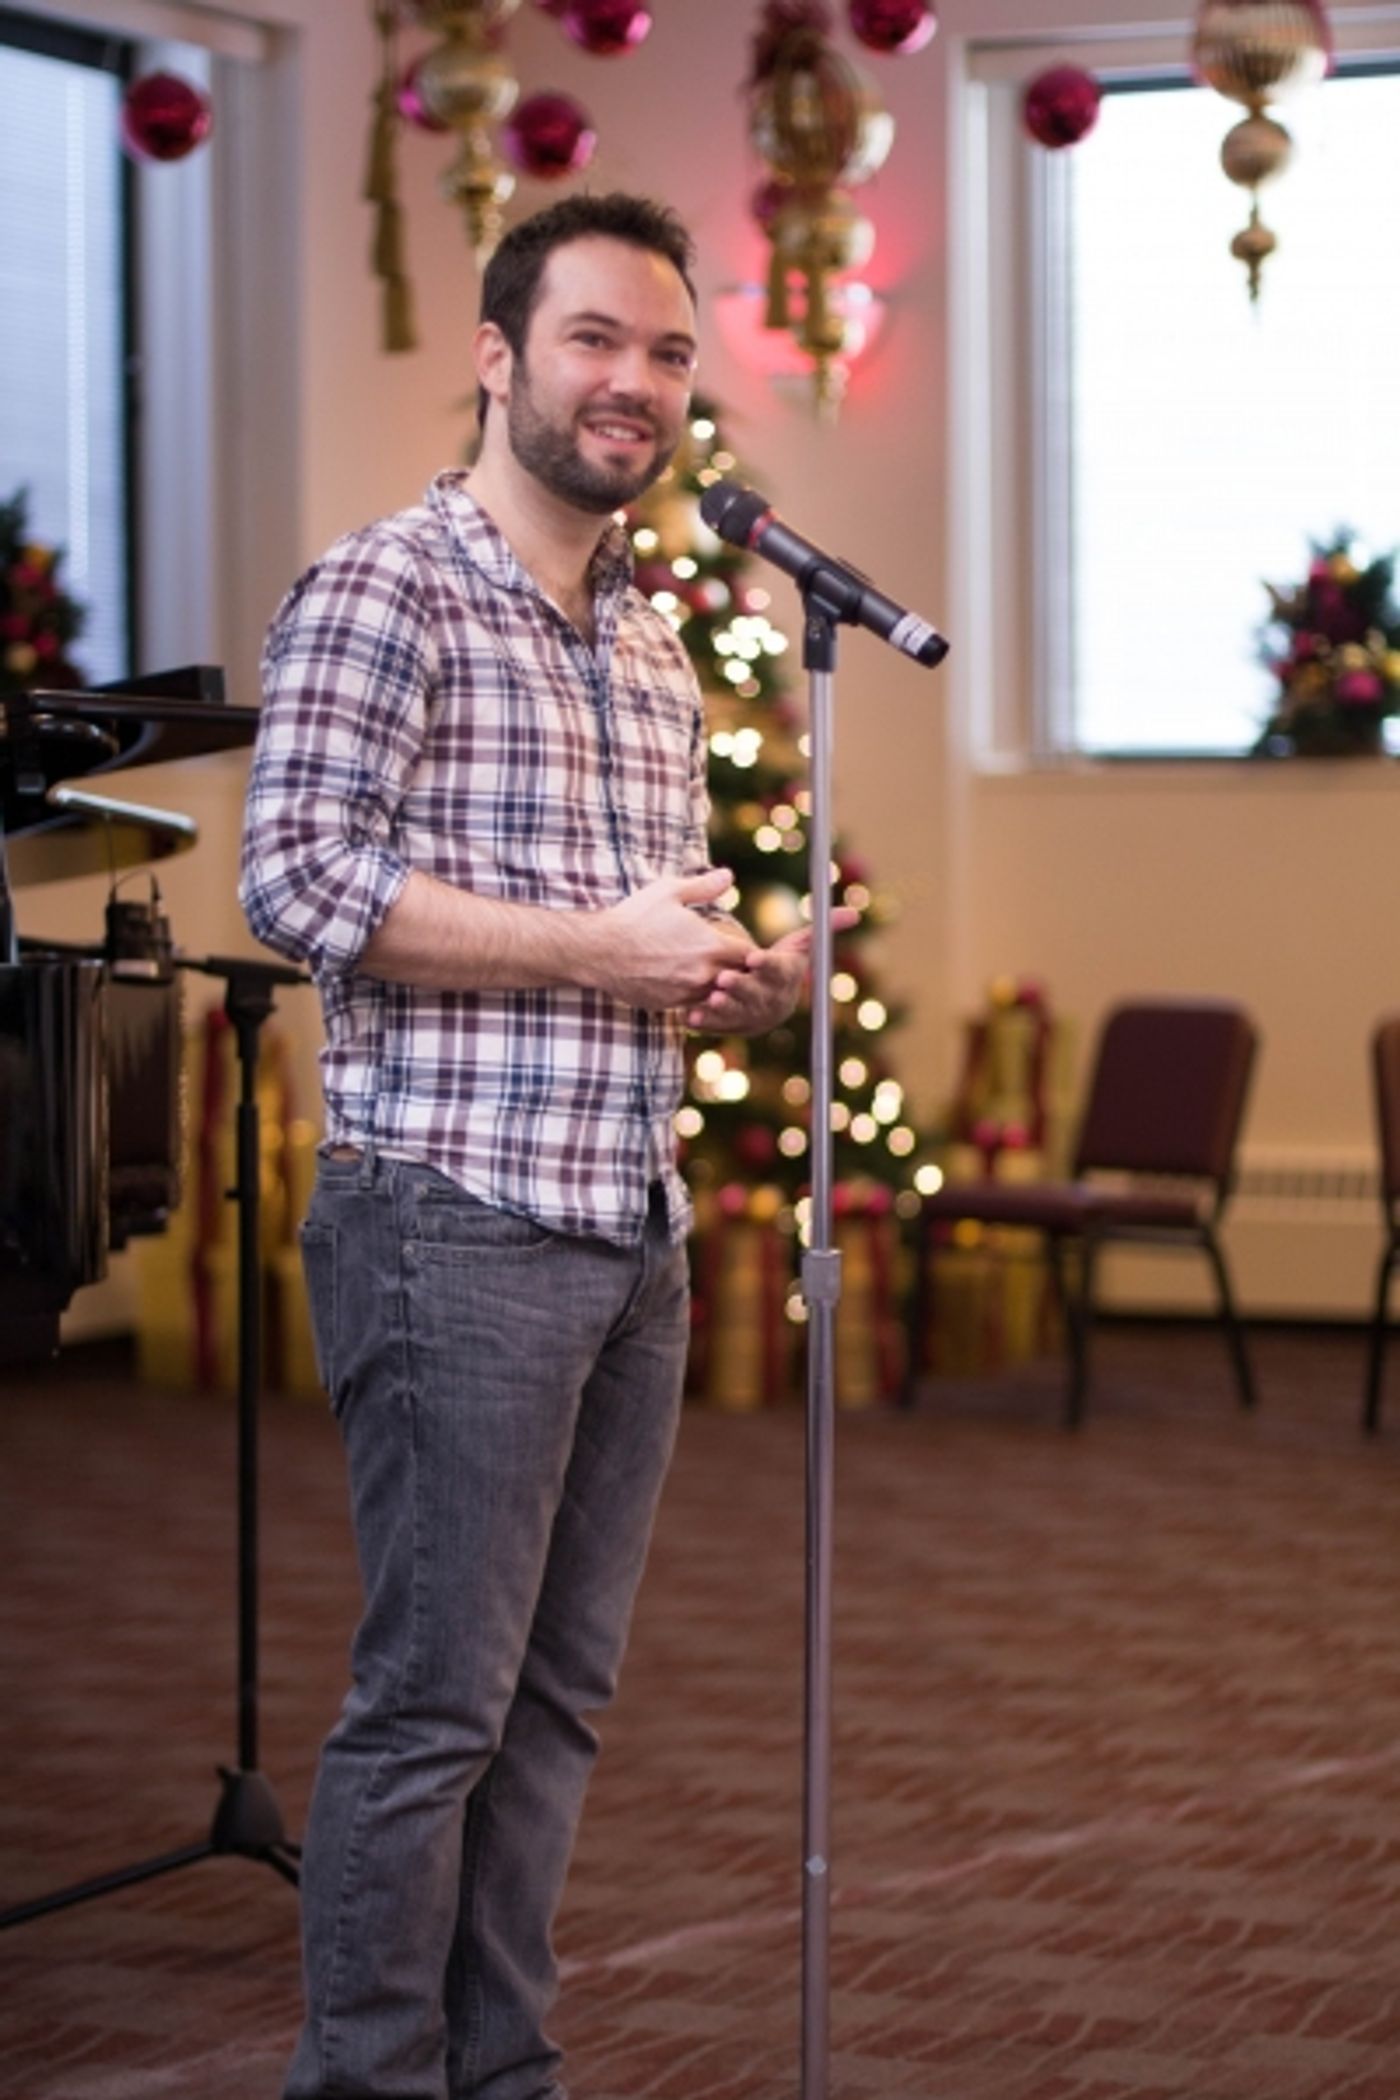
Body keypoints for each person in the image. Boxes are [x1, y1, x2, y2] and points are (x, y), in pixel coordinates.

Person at [240, 193, 842, 2100]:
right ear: (499, 358)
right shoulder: (383, 588)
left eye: (667, 353)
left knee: (557, 1710)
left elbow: (624, 940)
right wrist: (602, 949)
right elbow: (297, 878)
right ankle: (369, 2081)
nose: (636, 385)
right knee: (433, 1712)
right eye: (594, 339)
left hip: (625, 1225)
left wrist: (727, 982)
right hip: (451, 1217)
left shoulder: (656, 644)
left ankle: (505, 2074)